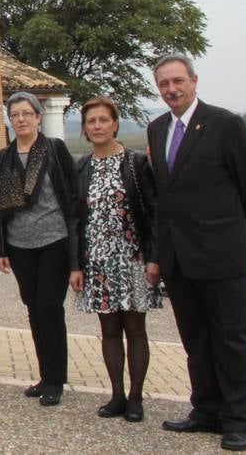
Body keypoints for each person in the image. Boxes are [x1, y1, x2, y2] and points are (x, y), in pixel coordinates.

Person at [148, 54, 246, 452]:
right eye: (164, 84)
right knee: (195, 339)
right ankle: (206, 409)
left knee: (229, 338)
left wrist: (239, 237)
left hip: (222, 252)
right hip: (179, 257)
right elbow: (165, 195)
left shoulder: (224, 124)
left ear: (195, 81)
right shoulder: (157, 128)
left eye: (178, 81)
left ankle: (237, 418)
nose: (171, 90)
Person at [74, 96, 160, 423]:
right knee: (108, 328)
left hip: (133, 257)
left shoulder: (136, 163)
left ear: (115, 124)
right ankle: (116, 395)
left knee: (135, 328)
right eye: (91, 121)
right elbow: (75, 217)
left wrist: (155, 257)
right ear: (84, 129)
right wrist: (75, 264)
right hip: (97, 260)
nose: (97, 126)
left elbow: (153, 212)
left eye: (103, 120)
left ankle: (136, 397)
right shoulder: (82, 166)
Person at [0, 90, 80, 407]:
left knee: (49, 308)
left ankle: (56, 378)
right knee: (33, 308)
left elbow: (71, 200)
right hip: (19, 245)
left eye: (27, 113)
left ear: (39, 117)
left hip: (53, 241)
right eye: (15, 114)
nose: (21, 119)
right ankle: (45, 375)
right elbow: (0, 207)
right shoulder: (5, 157)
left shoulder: (54, 150)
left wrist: (75, 257)